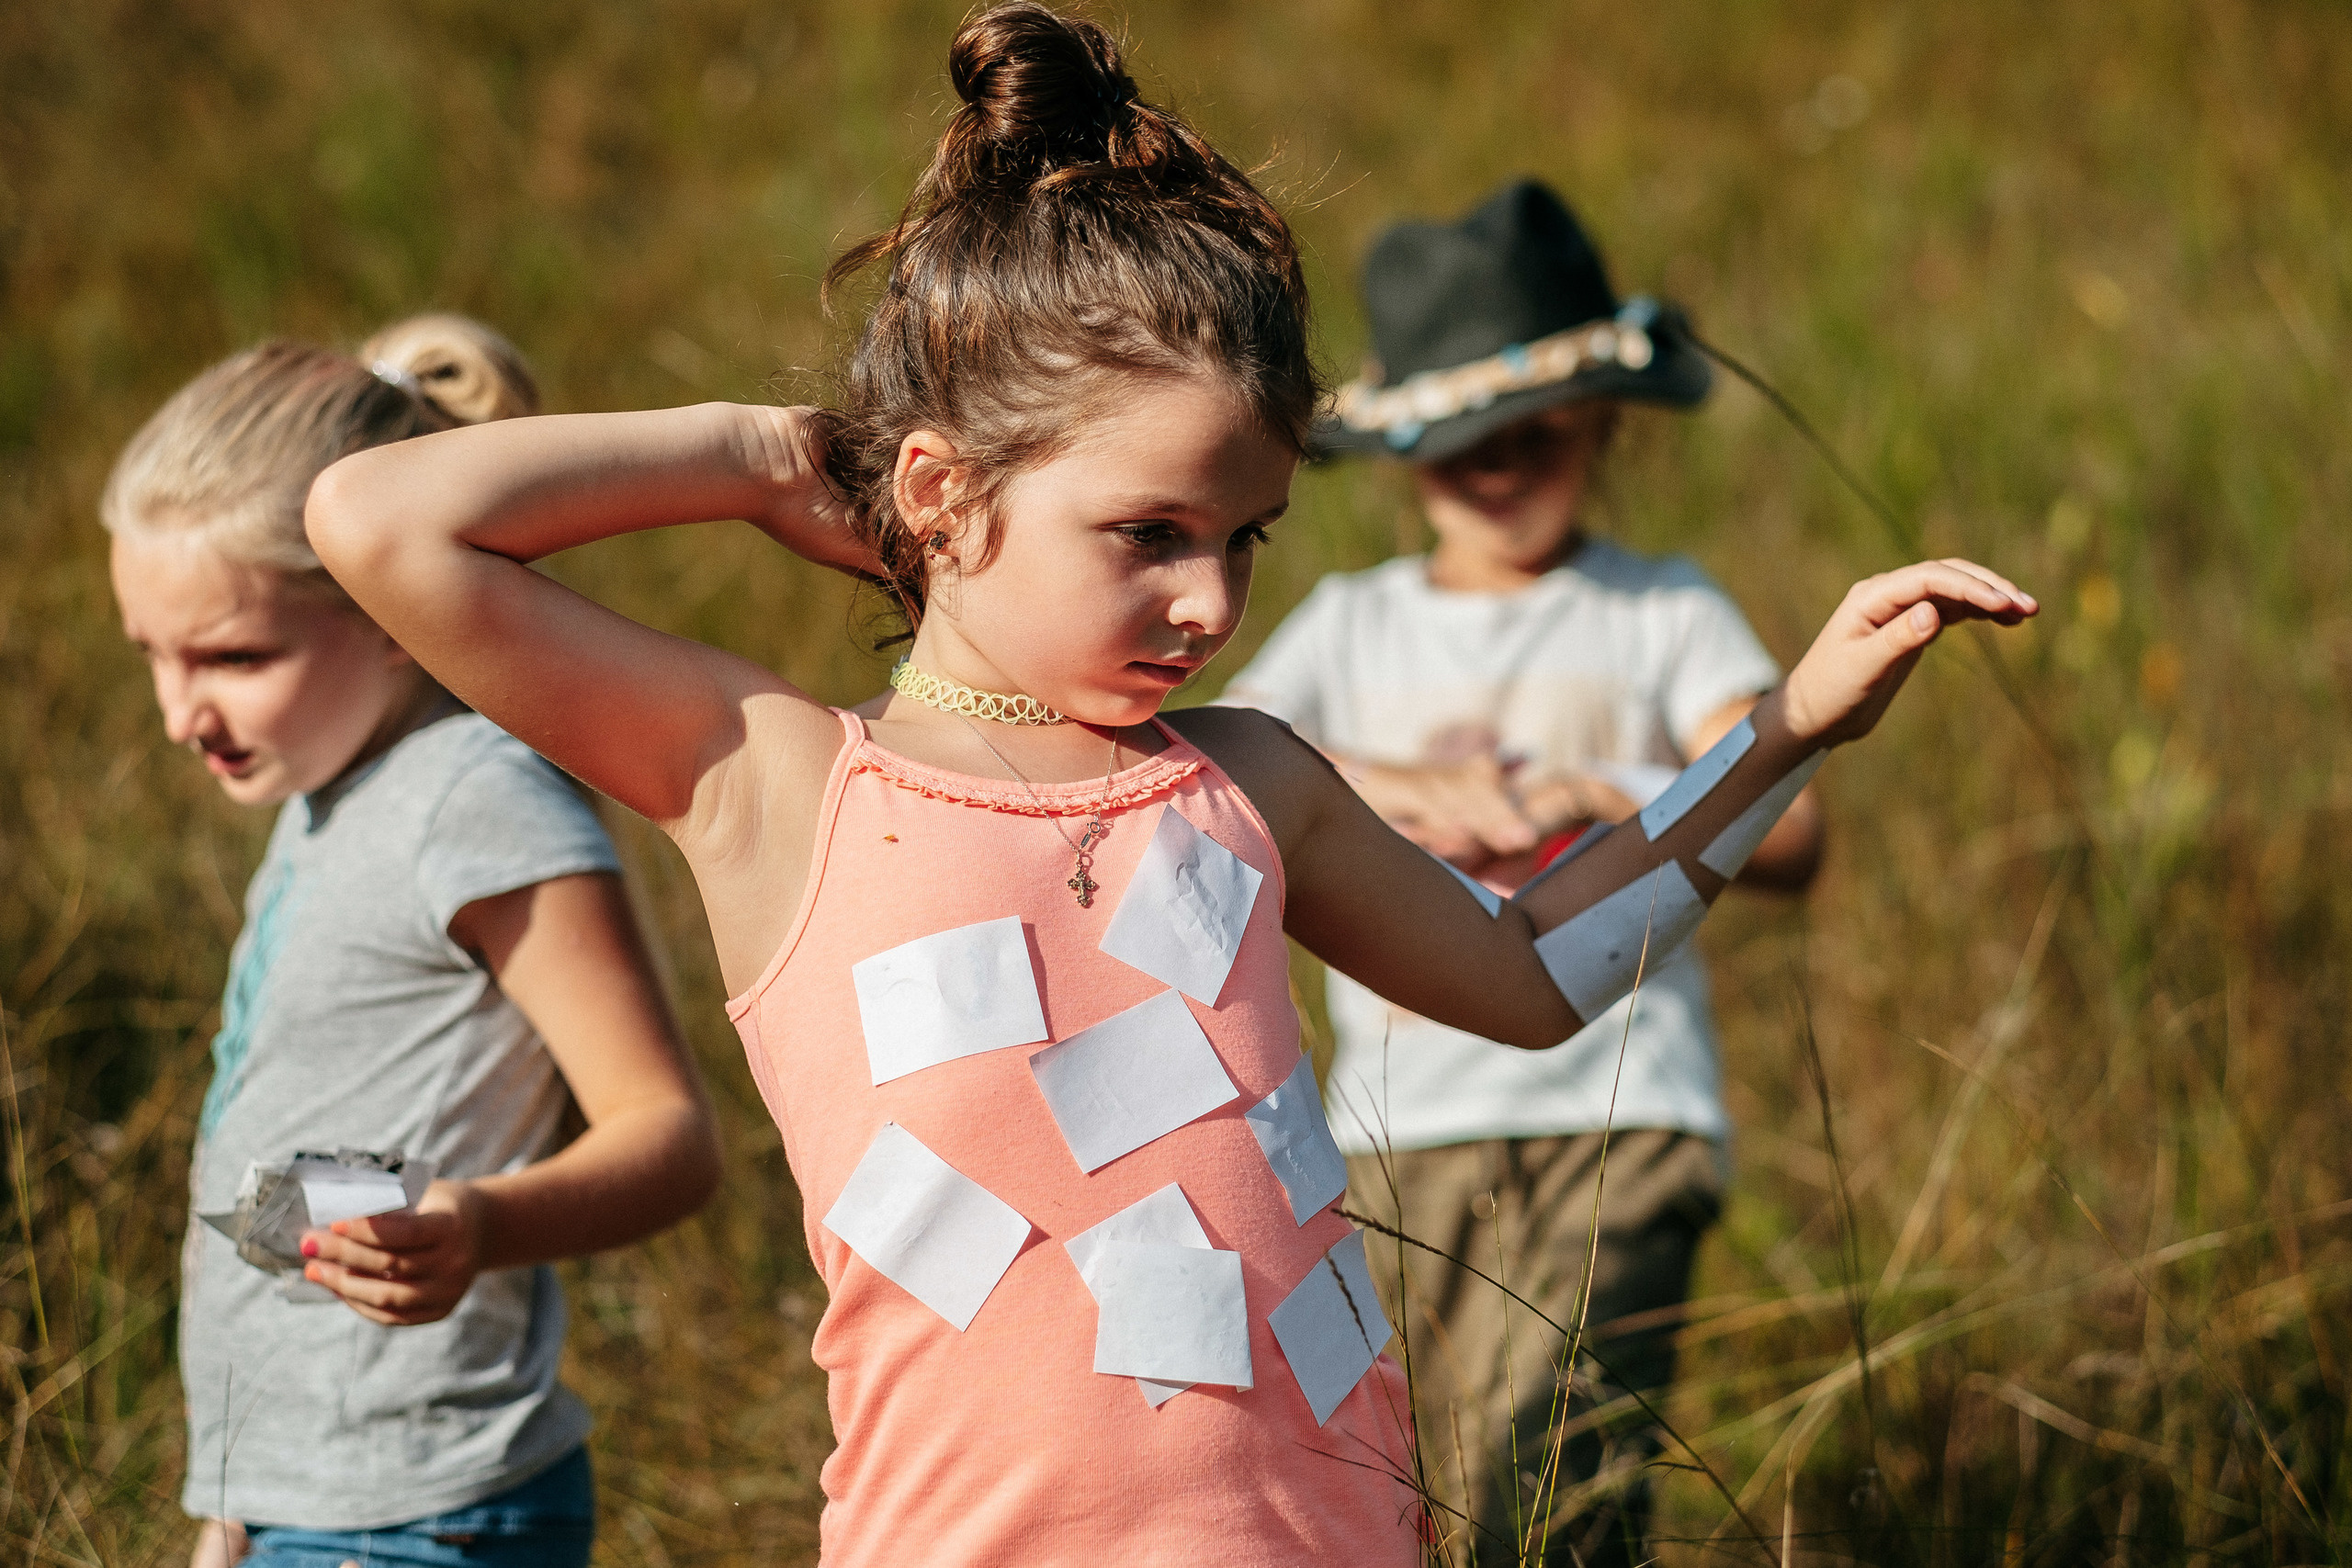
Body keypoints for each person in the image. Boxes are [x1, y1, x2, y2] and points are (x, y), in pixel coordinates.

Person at [302, 8, 2034, 1564]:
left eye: (1243, 539)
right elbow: (379, 523)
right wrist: (777, 456)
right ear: (938, 488)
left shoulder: (1248, 781)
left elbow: (1530, 977)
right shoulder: (778, 780)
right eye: (1146, 535)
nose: (1210, 601)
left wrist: (1787, 730)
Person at [1217, 178, 1819, 1563]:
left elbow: (1791, 829)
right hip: (1397, 1129)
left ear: (1603, 421)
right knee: (1415, 1487)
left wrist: (1618, 805)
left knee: (1554, 1478)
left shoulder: (1662, 611)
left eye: (1530, 431)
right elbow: (1208, 775)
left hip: (1621, 1112)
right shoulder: (1350, 628)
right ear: (1402, 451)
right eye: (1455, 441)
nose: (1494, 465)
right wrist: (1414, 793)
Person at [102, 315, 723, 1568]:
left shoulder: (477, 798)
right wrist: (234, 1507)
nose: (182, 713)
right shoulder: (324, 790)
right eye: (153, 659)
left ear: (395, 605)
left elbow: (670, 1137)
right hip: (299, 1507)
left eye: (230, 656)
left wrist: (481, 1226)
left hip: (425, 1517)